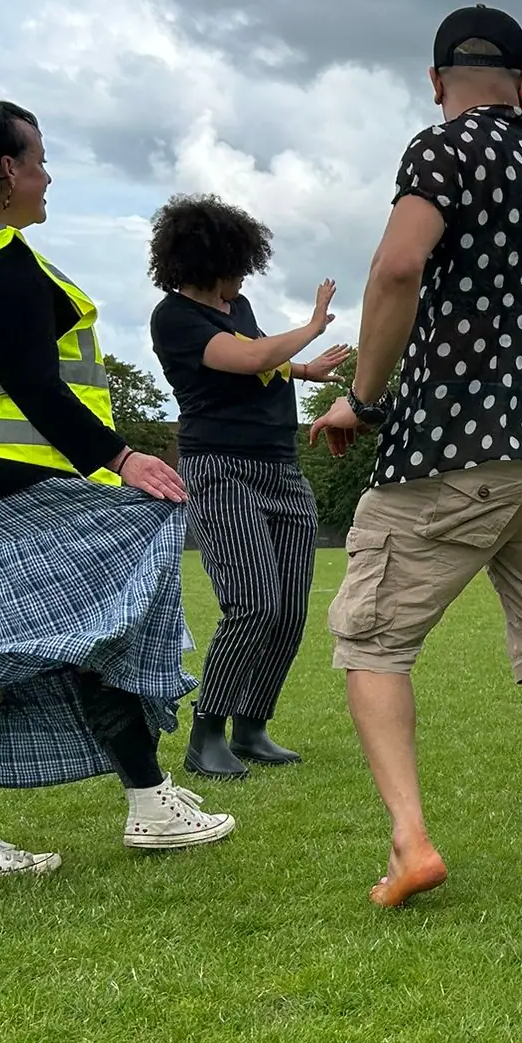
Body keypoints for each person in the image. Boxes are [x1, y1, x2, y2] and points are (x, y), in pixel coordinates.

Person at [310, 6, 522, 906]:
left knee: (371, 640)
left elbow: (399, 269)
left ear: (436, 83)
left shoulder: (442, 151)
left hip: (455, 450)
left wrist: (363, 395)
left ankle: (409, 842)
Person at [0, 100, 234, 874]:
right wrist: (121, 459)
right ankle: (150, 803)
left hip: (4, 488)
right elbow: (33, 386)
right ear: (6, 169)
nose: (49, 176)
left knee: (30, 641)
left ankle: (150, 798)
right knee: (75, 625)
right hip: (15, 483)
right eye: (40, 159)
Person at [149, 195, 351, 780]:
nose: (240, 281)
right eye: (235, 267)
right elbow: (251, 355)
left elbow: (264, 363)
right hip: (222, 469)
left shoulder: (237, 306)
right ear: (208, 261)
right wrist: (311, 328)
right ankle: (206, 733)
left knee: (286, 611)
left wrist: (304, 369)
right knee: (252, 602)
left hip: (281, 468)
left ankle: (252, 727)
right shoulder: (176, 318)